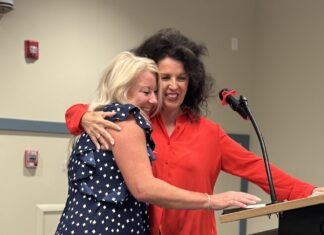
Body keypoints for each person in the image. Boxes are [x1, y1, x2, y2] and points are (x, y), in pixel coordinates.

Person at [64, 29, 324, 235]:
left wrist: (308, 192)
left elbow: (257, 168)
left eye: (182, 78)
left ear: (192, 82)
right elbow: (82, 110)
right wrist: (83, 116)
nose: (173, 86)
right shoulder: (133, 122)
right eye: (165, 78)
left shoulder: (209, 133)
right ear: (151, 79)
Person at [57, 51, 260, 235]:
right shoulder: (127, 120)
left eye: (155, 92)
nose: (154, 100)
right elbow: (144, 188)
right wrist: (210, 200)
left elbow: (254, 167)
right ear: (123, 88)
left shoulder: (97, 119)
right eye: (146, 92)